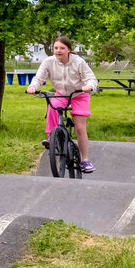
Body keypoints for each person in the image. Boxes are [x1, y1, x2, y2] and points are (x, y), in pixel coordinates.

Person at [26, 35, 98, 173]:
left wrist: (89, 87)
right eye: (56, 48)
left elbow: (91, 79)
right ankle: (52, 138)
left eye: (62, 48)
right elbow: (39, 78)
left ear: (69, 50)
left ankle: (85, 160)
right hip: (62, 94)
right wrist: (33, 87)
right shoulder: (49, 62)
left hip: (79, 95)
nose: (58, 51)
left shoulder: (78, 62)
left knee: (80, 128)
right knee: (52, 105)